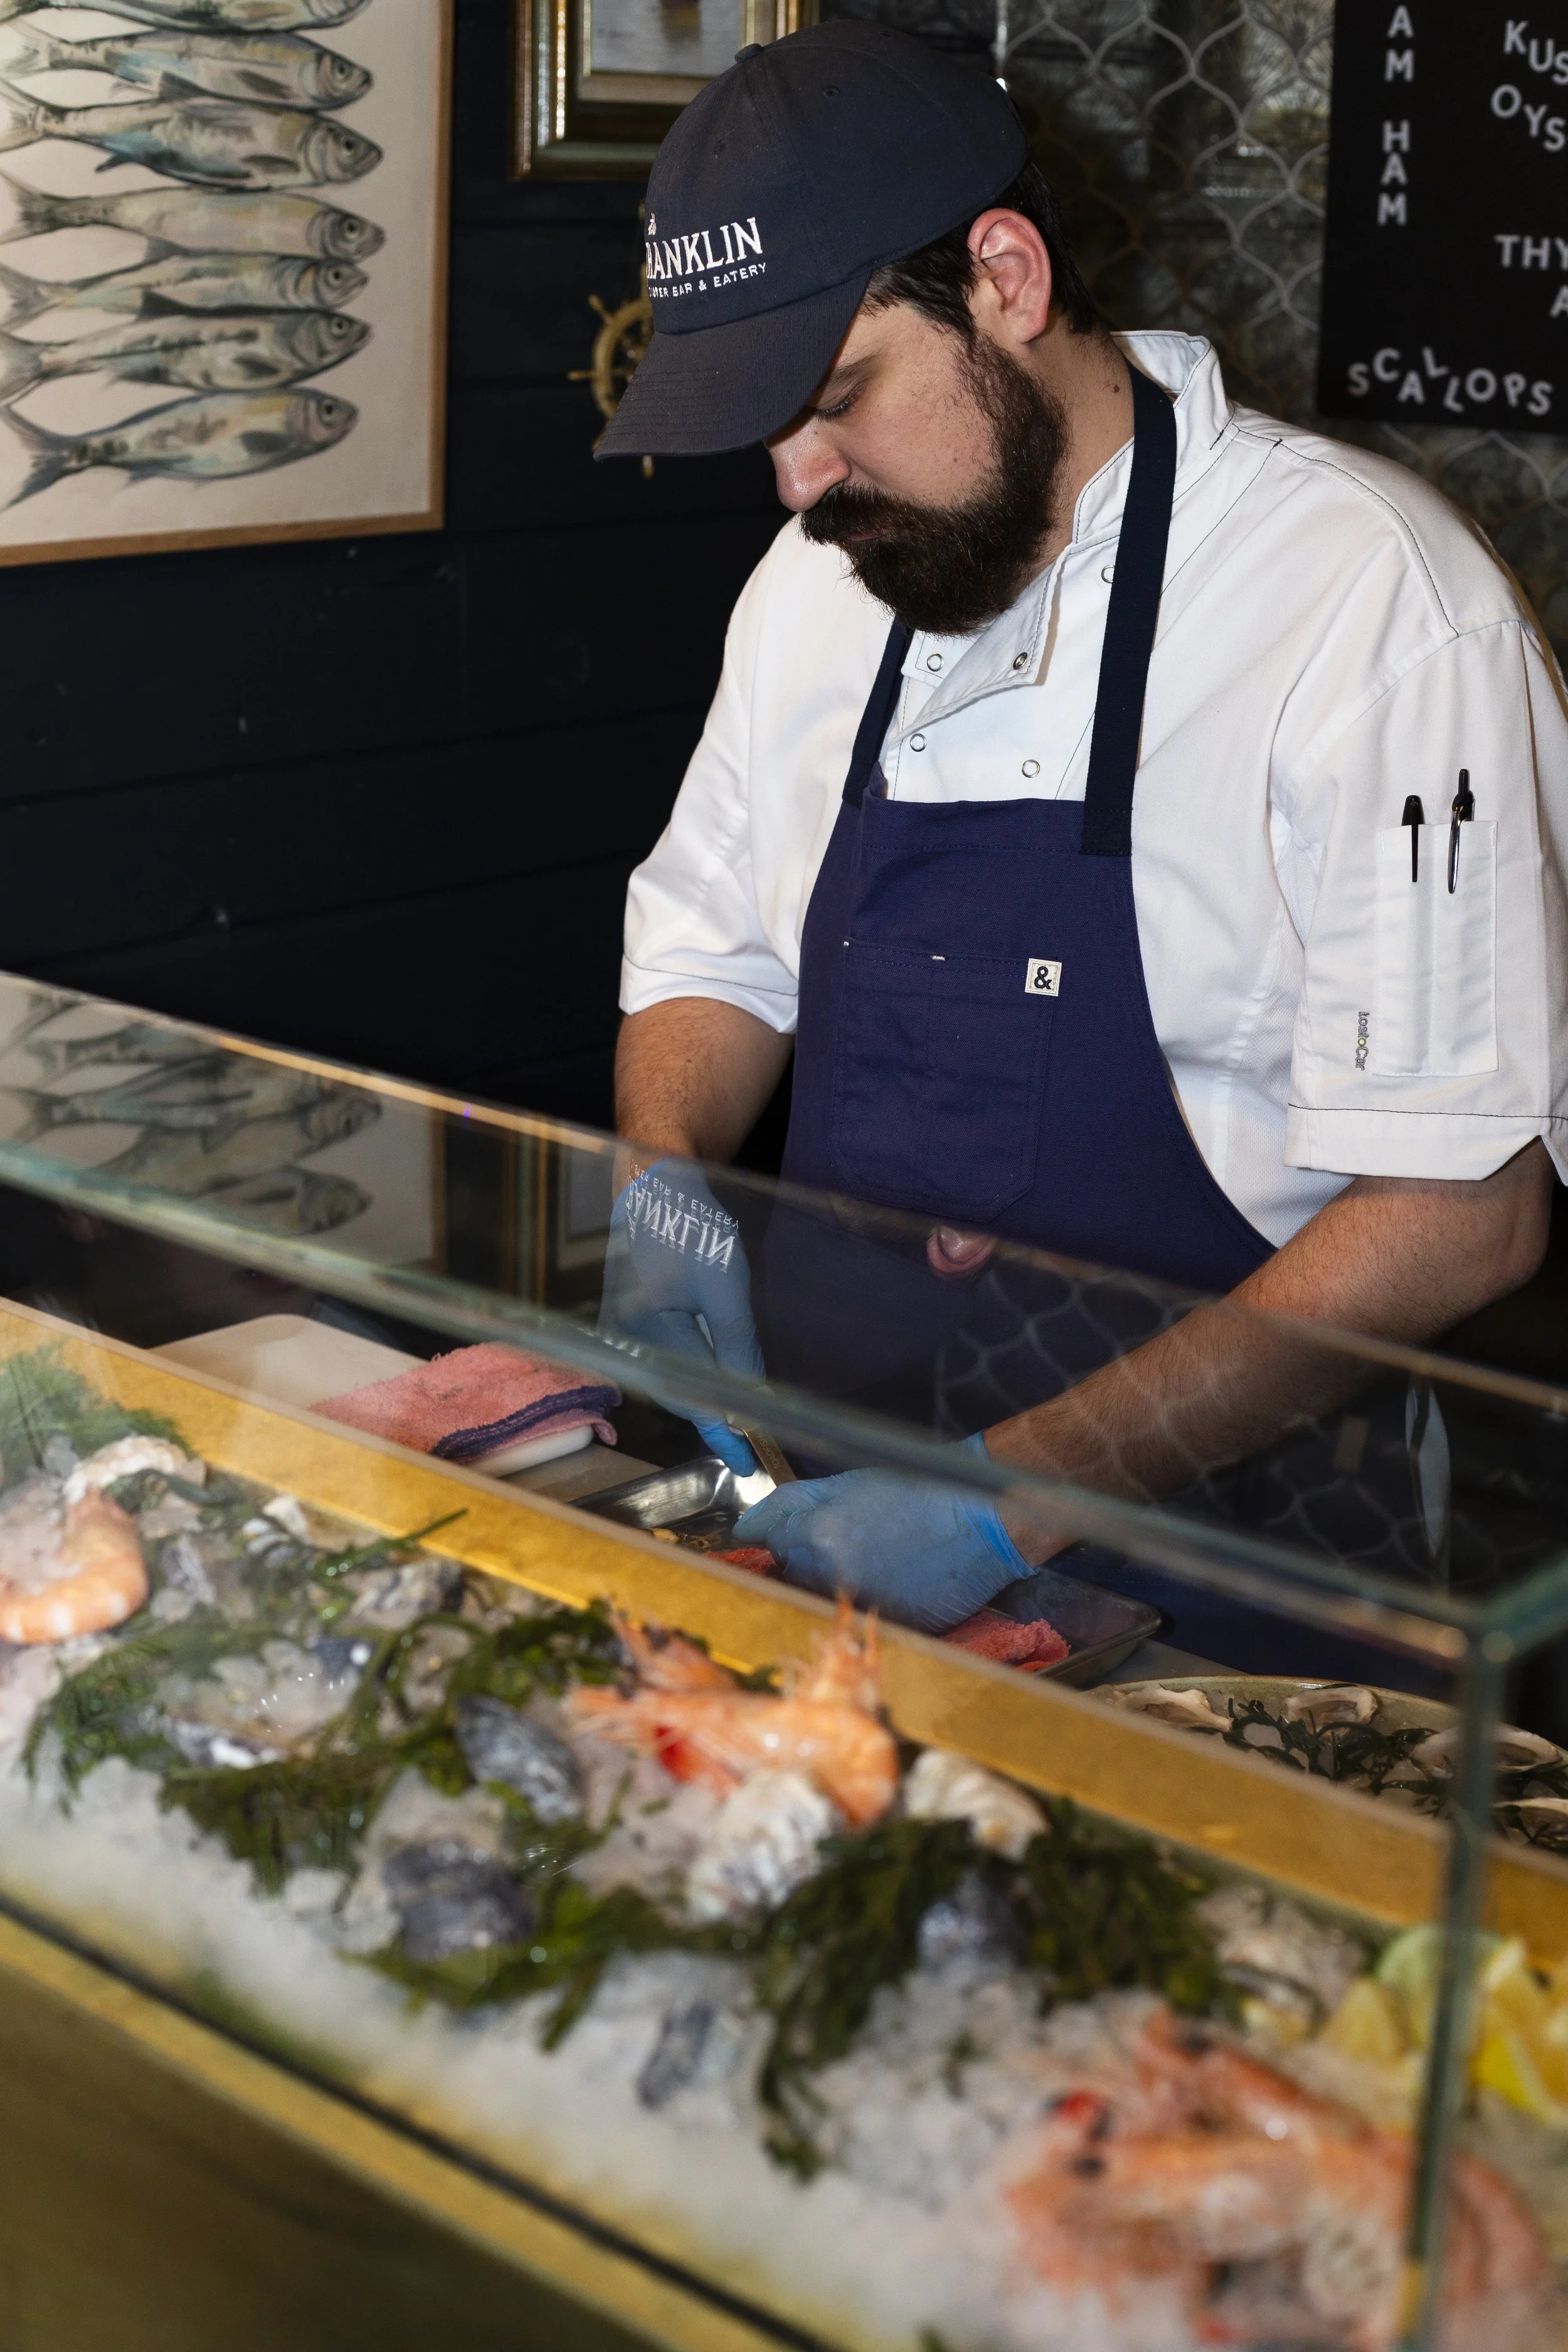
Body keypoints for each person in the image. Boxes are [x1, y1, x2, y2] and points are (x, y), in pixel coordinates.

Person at [596, 21, 1566, 1645]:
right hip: (824, 1531)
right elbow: (714, 952)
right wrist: (662, 1176)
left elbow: (1460, 1210)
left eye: (833, 397)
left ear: (1005, 277)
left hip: (1234, 1581)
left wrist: (1010, 1501)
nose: (793, 482)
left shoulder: (1372, 604)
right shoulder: (814, 586)